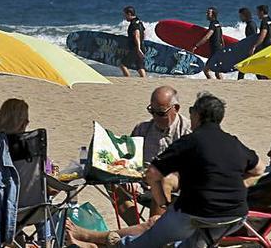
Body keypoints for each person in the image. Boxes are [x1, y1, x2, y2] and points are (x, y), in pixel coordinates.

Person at [66, 130, 271, 248]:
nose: (270, 153)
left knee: (155, 224)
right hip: (222, 214)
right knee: (157, 218)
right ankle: (97, 241)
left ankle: (91, 238)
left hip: (226, 222)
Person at [105, 93, 260, 248]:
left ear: (197, 115)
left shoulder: (190, 141)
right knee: (191, 243)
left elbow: (152, 174)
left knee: (148, 240)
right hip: (235, 216)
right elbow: (258, 170)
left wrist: (162, 203)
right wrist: (233, 186)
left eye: (192, 109)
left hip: (197, 212)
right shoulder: (233, 142)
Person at [112, 86, 191, 223]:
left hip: (177, 192)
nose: (155, 117)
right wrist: (131, 179)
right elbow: (130, 160)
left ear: (176, 108)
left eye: (160, 113)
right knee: (112, 184)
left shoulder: (189, 132)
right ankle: (139, 230)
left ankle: (152, 233)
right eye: (151, 111)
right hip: (142, 184)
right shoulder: (142, 129)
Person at [197, 8, 225, 79]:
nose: (206, 14)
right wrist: (223, 48)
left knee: (206, 70)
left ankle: (211, 82)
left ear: (213, 15)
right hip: (219, 49)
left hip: (215, 50)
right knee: (217, 72)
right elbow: (221, 37)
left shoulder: (212, 24)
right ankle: (221, 84)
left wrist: (196, 45)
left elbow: (207, 36)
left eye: (208, 13)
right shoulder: (217, 23)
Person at [119, 6, 147, 78]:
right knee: (140, 66)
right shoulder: (139, 22)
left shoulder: (134, 24)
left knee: (123, 65)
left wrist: (138, 49)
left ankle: (128, 79)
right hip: (141, 47)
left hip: (135, 49)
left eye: (125, 15)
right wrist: (141, 45)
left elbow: (137, 35)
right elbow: (144, 33)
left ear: (129, 14)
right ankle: (144, 81)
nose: (124, 17)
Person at [235, 8, 255, 80]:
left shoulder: (251, 24)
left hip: (251, 49)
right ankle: (240, 79)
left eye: (241, 16)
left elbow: (254, 37)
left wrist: (252, 48)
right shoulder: (250, 24)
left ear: (245, 15)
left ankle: (239, 79)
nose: (240, 18)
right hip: (249, 47)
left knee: (243, 65)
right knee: (244, 65)